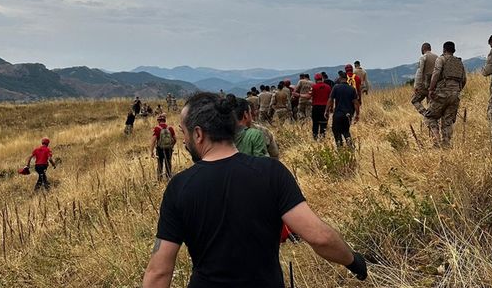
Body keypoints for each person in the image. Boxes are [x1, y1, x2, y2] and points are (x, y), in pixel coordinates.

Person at [142, 92, 367, 287]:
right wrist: (353, 262)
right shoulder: (272, 173)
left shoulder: (180, 186)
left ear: (198, 134)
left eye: (184, 133)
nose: (184, 140)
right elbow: (319, 237)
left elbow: (159, 271)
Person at [425, 41, 467, 148]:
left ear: (444, 50)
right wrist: (457, 90)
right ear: (454, 50)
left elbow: (436, 73)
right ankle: (446, 145)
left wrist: (431, 89)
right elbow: (464, 79)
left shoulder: (441, 59)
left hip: (442, 93)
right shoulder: (459, 62)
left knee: (430, 116)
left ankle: (436, 141)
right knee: (447, 121)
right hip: (455, 95)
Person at [325, 72, 360, 147]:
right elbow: (356, 103)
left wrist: (326, 110)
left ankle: (340, 147)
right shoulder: (352, 89)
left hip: (338, 114)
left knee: (336, 131)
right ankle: (350, 147)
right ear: (347, 79)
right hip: (348, 114)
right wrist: (357, 114)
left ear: (340, 78)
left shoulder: (336, 87)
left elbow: (330, 99)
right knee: (346, 131)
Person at [411, 43, 438, 115]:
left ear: (422, 49)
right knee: (430, 105)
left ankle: (425, 114)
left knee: (414, 100)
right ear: (430, 48)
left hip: (424, 86)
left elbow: (420, 72)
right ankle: (432, 119)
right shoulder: (437, 57)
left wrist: (416, 86)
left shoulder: (423, 57)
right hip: (434, 86)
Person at [150, 114, 177, 180]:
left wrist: (151, 151)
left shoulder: (157, 128)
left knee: (160, 164)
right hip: (169, 149)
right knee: (168, 163)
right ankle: (168, 178)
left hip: (160, 149)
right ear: (165, 120)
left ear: (159, 121)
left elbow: (153, 141)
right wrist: (172, 146)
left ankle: (159, 179)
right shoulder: (170, 128)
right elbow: (175, 139)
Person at [311, 73, 332, 139]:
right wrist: (331, 107)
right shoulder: (328, 87)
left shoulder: (314, 87)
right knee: (323, 124)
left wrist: (299, 95)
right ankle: (322, 138)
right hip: (325, 108)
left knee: (315, 124)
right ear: (322, 79)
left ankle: (315, 137)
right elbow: (330, 98)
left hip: (316, 108)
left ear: (315, 79)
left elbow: (309, 96)